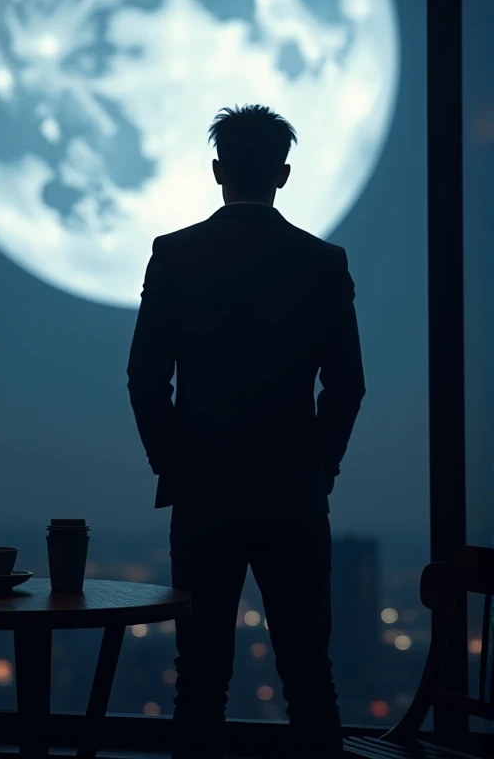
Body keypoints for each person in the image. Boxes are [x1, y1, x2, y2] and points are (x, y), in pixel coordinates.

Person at [126, 104, 366, 759]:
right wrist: (324, 465)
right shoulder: (323, 261)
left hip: (204, 494)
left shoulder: (174, 255)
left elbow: (145, 380)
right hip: (294, 492)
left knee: (199, 679)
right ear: (283, 175)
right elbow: (348, 384)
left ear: (217, 171)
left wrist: (173, 461)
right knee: (310, 678)